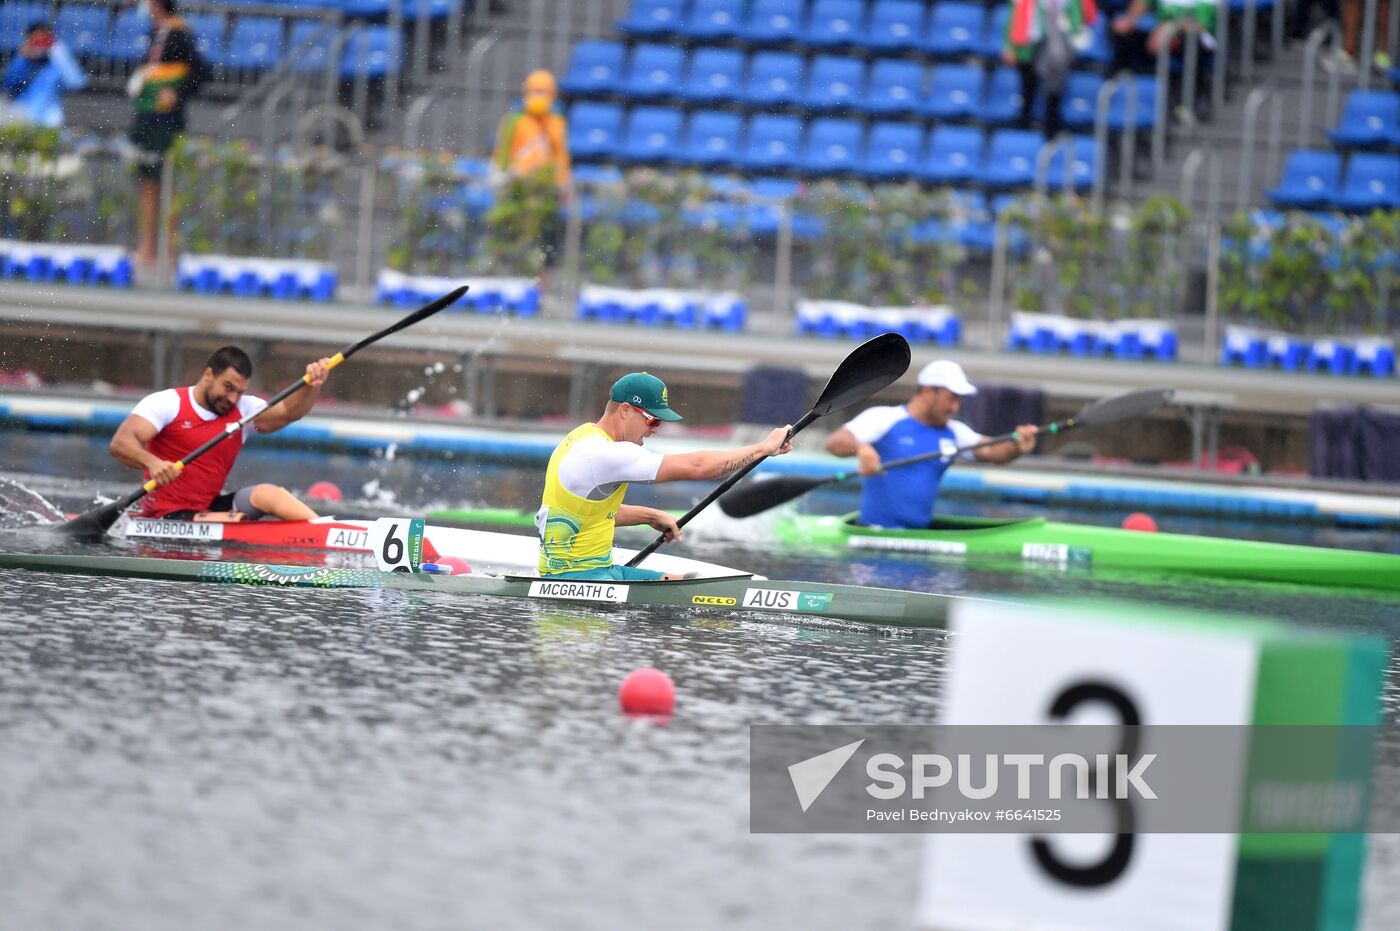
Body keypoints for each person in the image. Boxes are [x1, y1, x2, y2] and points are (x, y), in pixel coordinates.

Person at [535, 372, 793, 581]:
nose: (655, 430)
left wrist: (650, 516)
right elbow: (698, 467)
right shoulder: (607, 454)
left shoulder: (581, 436)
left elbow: (587, 513)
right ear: (625, 410)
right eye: (652, 421)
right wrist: (763, 448)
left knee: (690, 580)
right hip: (577, 580)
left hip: (597, 572)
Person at [110, 346, 331, 521]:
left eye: (239, 392)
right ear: (208, 375)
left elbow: (289, 412)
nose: (233, 398)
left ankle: (328, 530)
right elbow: (121, 444)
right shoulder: (168, 403)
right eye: (228, 387)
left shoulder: (244, 409)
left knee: (270, 494)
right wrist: (153, 463)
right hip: (164, 515)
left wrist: (312, 384)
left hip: (208, 508)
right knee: (233, 519)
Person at [824, 361, 1039, 530]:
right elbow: (835, 443)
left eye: (959, 400)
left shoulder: (955, 432)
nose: (955, 407)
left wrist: (1017, 447)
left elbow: (993, 451)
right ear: (928, 391)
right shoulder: (884, 418)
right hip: (873, 536)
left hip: (918, 541)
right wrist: (861, 449)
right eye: (951, 398)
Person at [127, 0, 207, 268]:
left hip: (167, 121)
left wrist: (177, 93)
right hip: (147, 117)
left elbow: (203, 71)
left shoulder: (178, 32)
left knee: (167, 185)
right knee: (147, 184)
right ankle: (147, 247)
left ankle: (168, 251)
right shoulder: (154, 32)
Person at [490, 69, 572, 271]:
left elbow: (561, 157)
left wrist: (563, 185)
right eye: (536, 91)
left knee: (545, 242)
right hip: (517, 188)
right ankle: (506, 276)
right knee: (510, 235)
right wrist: (502, 178)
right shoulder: (515, 119)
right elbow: (502, 153)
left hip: (545, 193)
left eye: (544, 92)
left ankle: (542, 286)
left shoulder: (557, 122)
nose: (540, 96)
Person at [1002, 0, 1100, 141]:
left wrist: (1072, 47)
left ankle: (1051, 126)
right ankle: (1024, 126)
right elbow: (1011, 17)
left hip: (1057, 45)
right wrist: (1008, 45)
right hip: (1029, 44)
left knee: (1055, 87)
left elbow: (1076, 17)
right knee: (1028, 86)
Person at [0, 23, 85, 128]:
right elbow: (8, 85)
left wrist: (58, 51)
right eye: (36, 41)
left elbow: (77, 83)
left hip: (47, 122)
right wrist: (22, 58)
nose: (39, 46)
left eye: (44, 40)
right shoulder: (23, 62)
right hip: (20, 118)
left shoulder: (55, 67)